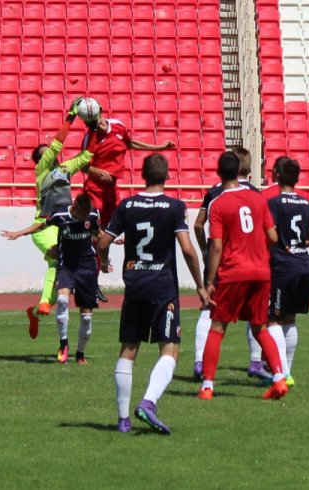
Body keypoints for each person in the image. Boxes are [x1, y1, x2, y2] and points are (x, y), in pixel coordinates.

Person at [97, 153, 208, 434]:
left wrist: (104, 261)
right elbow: (186, 248)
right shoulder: (174, 207)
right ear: (167, 176)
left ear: (142, 175)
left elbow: (103, 242)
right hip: (162, 288)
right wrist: (199, 284)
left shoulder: (127, 205)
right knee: (170, 350)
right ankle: (148, 402)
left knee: (128, 349)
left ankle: (123, 420)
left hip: (135, 285)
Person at [199, 152, 288, 401]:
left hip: (233, 272)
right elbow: (273, 236)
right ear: (240, 170)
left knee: (217, 327)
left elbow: (216, 246)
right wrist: (257, 250)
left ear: (219, 173)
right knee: (260, 327)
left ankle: (207, 386)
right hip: (261, 272)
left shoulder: (218, 203)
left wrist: (209, 281)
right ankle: (279, 378)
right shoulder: (258, 198)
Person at [79, 100, 176, 302]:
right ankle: (93, 279)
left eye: (96, 120)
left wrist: (158, 147)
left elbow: (130, 143)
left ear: (101, 113)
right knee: (95, 233)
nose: (95, 125)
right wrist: (97, 171)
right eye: (91, 123)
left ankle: (123, 272)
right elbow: (83, 166)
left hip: (112, 190)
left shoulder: (118, 126)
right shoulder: (90, 138)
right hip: (95, 189)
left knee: (111, 232)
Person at [191, 146, 271, 382]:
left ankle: (200, 362)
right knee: (256, 318)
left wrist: (205, 250)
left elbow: (198, 224)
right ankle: (256, 362)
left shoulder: (215, 192)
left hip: (223, 261)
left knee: (210, 311)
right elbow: (268, 231)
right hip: (253, 261)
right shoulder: (256, 194)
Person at [21, 98, 94, 338]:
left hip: (63, 226)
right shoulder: (41, 171)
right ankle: (43, 303)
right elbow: (56, 146)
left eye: (51, 154)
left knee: (63, 276)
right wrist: (70, 118)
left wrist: (94, 128)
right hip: (43, 226)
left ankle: (36, 311)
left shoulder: (65, 170)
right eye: (45, 155)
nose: (51, 155)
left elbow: (87, 156)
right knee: (57, 262)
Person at [2, 194, 102, 364]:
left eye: (87, 214)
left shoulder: (93, 215)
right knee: (62, 300)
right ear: (75, 207)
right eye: (82, 214)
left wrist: (110, 244)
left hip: (87, 267)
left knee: (86, 317)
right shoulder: (60, 215)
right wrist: (18, 233)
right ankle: (63, 345)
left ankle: (80, 354)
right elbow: (40, 226)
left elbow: (97, 233)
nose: (85, 217)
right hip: (67, 266)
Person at [266, 158, 309, 387]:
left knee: (273, 319)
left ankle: (283, 374)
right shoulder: (306, 203)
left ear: (277, 175)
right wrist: (296, 245)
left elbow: (271, 236)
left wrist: (280, 246)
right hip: (304, 266)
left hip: (283, 268)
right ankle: (288, 371)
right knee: (290, 318)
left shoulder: (274, 203)